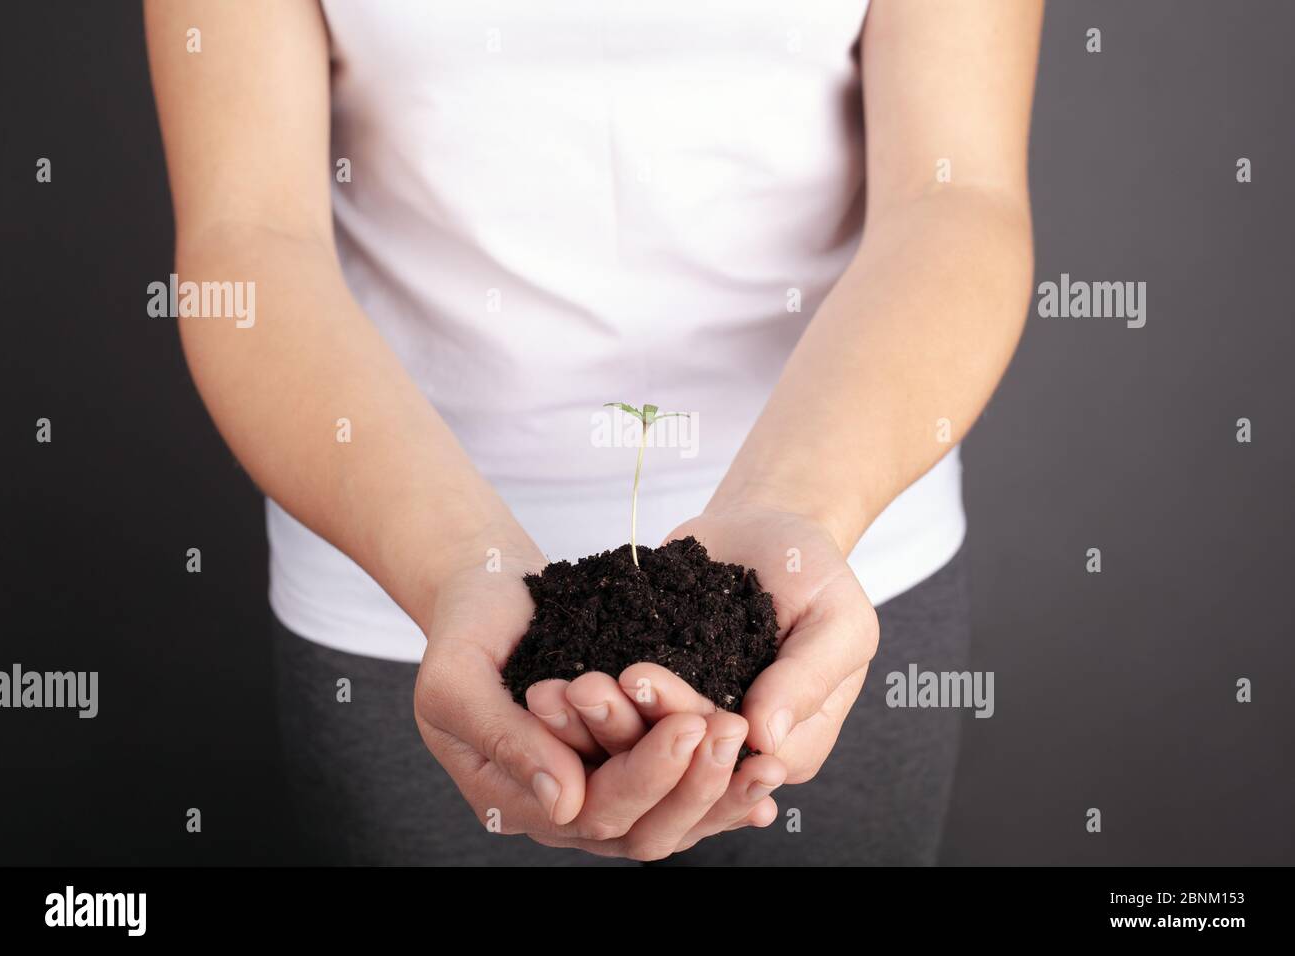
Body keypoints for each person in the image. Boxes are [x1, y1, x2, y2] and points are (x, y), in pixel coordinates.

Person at [145, 0, 1042, 865]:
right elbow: (249, 236)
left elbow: (955, 200)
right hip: (401, 590)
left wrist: (795, 514)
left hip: (834, 573)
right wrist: (453, 564)